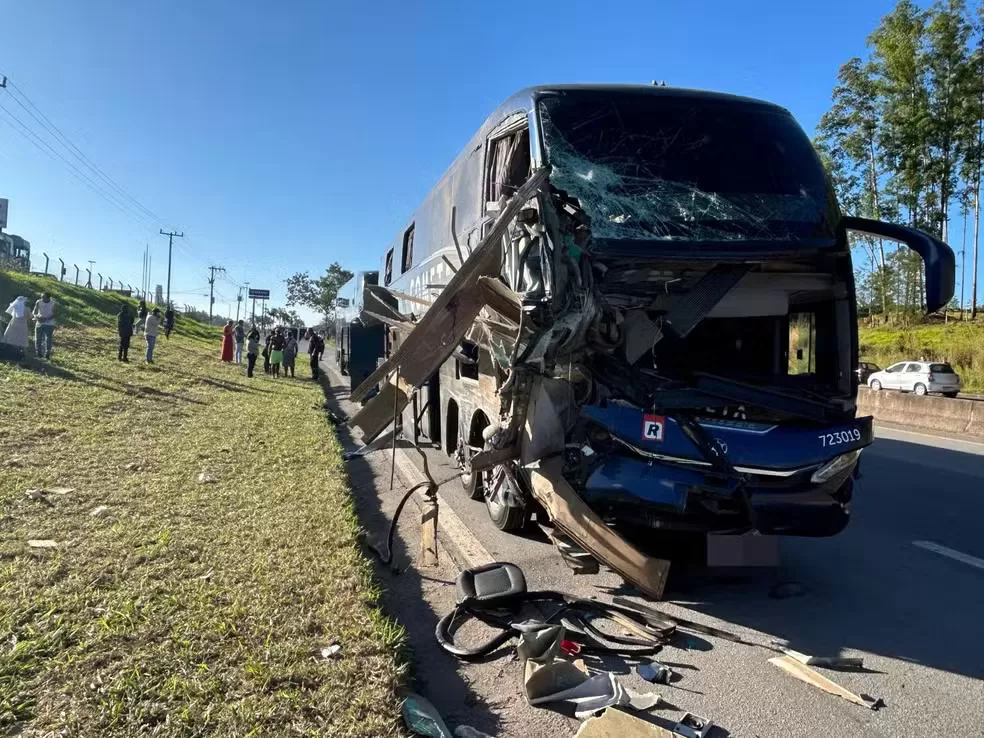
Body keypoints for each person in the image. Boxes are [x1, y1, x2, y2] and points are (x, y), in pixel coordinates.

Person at [32, 292, 56, 359]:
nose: (42, 299)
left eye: (44, 297)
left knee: (48, 339)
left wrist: (46, 319)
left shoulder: (53, 303)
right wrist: (36, 317)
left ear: (48, 298)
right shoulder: (38, 302)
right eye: (41, 297)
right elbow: (34, 311)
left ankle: (47, 353)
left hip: (49, 323)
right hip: (39, 322)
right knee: (38, 338)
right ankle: (38, 353)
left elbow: (54, 314)